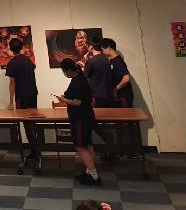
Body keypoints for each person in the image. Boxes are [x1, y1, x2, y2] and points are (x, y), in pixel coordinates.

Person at [55, 58, 101, 186]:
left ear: (68, 70)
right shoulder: (80, 78)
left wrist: (62, 99)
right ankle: (90, 171)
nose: (64, 73)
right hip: (86, 117)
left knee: (80, 147)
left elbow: (77, 102)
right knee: (88, 145)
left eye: (64, 71)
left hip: (80, 118)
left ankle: (94, 176)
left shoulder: (78, 82)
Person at [5, 38, 39, 159]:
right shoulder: (28, 61)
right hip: (33, 94)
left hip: (21, 96)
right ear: (21, 47)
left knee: (26, 123)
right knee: (33, 122)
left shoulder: (12, 63)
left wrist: (10, 102)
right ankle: (36, 149)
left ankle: (35, 151)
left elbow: (12, 84)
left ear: (10, 49)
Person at [84, 37, 115, 108]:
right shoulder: (107, 59)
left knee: (97, 114)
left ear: (91, 47)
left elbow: (85, 77)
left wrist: (85, 64)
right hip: (109, 95)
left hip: (96, 96)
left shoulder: (91, 61)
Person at [101, 38, 132, 108]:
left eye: (102, 49)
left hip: (123, 96)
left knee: (125, 114)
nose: (102, 52)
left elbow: (126, 78)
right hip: (119, 96)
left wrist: (116, 88)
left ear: (109, 48)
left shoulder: (118, 61)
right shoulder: (113, 61)